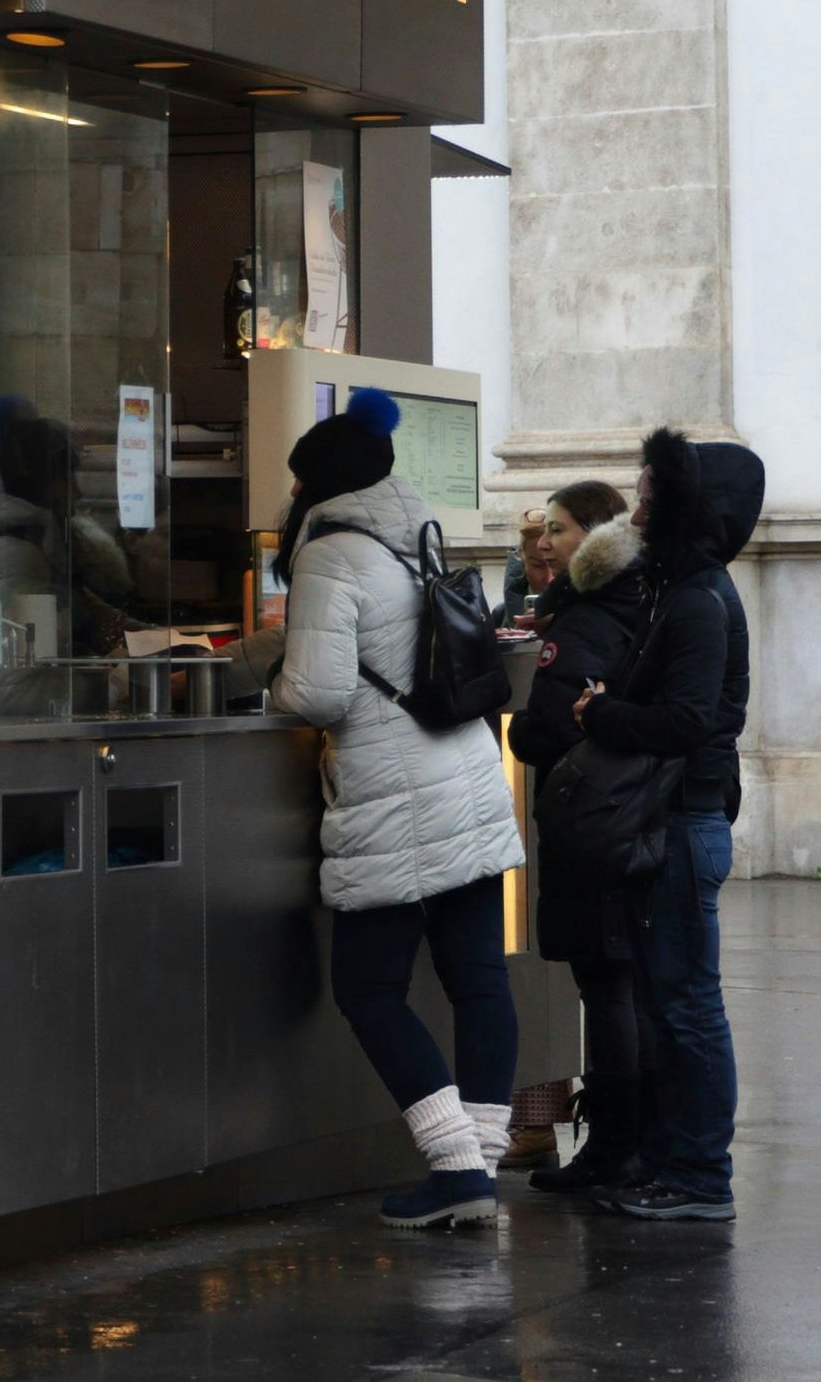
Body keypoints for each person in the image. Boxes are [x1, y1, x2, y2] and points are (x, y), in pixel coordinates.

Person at [251, 407, 525, 1228]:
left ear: (322, 480)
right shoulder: (416, 537)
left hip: (395, 799)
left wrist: (270, 682)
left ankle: (455, 1168)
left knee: (368, 988)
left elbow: (321, 692)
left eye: (298, 477)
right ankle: (478, 1163)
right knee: (478, 978)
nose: (292, 492)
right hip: (467, 776)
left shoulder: (330, 554)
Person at [578, 425, 761, 1225]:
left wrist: (605, 712)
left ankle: (698, 1175)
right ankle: (671, 1162)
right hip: (678, 819)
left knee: (685, 1003)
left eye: (651, 489)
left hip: (682, 821)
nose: (638, 502)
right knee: (665, 999)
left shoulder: (697, 598)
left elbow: (687, 720)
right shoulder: (682, 588)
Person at [503, 478, 647, 1191]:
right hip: (631, 821)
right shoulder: (639, 602)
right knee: (626, 986)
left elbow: (545, 730)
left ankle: (614, 1145)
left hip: (591, 824)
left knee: (605, 989)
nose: (543, 543)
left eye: (556, 529)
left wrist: (527, 722)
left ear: (591, 538)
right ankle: (631, 1140)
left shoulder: (583, 623)